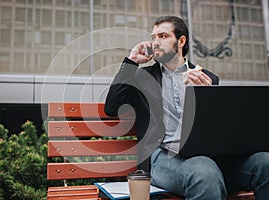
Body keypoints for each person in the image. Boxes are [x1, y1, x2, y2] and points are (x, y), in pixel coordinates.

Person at [104, 15, 269, 199]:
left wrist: (207, 98)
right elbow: (111, 107)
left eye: (163, 36)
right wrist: (131, 62)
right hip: (164, 157)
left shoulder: (207, 78)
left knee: (265, 163)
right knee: (204, 172)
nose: (155, 42)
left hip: (210, 158)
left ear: (181, 41)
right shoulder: (143, 77)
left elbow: (217, 130)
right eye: (153, 37)